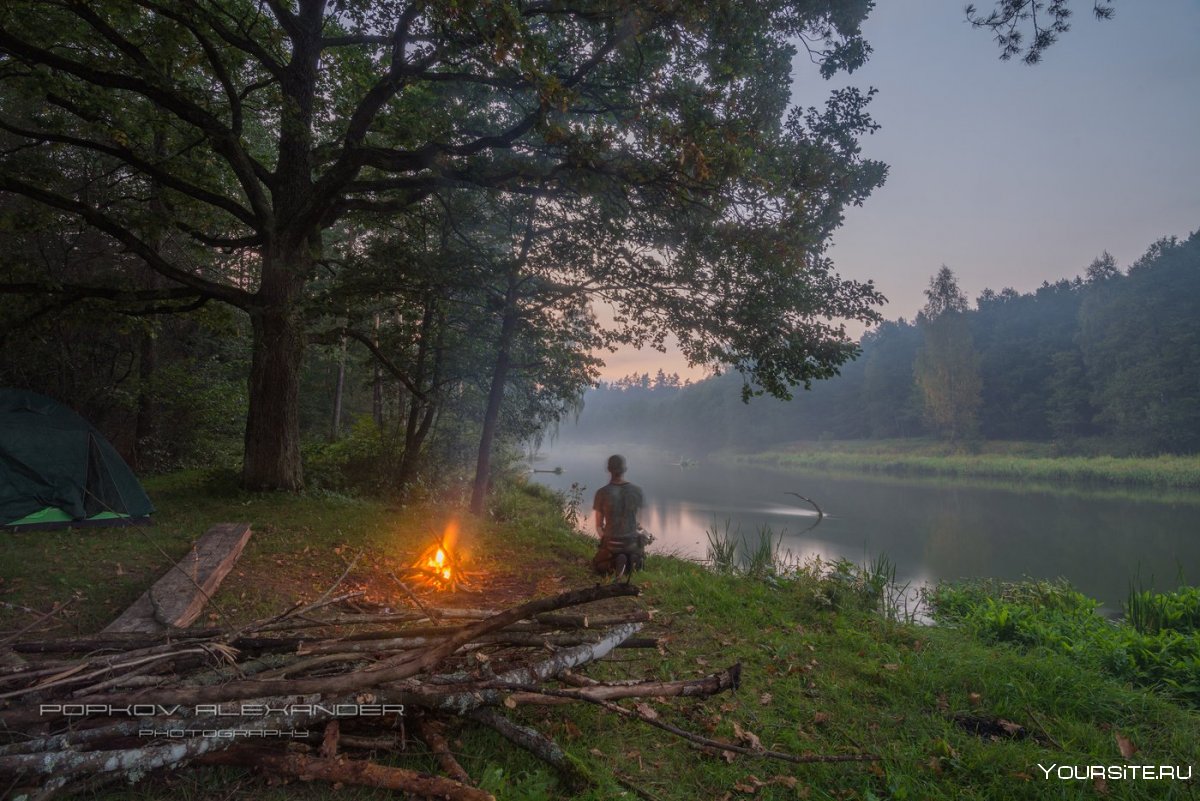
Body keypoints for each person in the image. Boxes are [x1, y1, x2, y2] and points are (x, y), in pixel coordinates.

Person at [591, 454, 647, 579]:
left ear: (609, 469)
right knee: (636, 548)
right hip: (631, 542)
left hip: (612, 543)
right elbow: (639, 524)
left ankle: (614, 561)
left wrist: (605, 536)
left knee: (597, 564)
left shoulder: (601, 493)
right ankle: (633, 560)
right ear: (625, 469)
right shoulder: (637, 491)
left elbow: (599, 526)